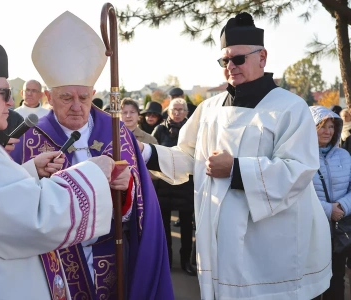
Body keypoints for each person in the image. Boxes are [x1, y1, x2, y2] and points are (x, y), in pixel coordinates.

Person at [139, 12, 331, 299]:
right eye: (224, 60)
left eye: (238, 59)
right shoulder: (209, 109)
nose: (231, 66)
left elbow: (299, 169)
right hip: (219, 243)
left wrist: (236, 169)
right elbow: (189, 158)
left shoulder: (290, 107)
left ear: (262, 57)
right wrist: (143, 151)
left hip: (270, 247)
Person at [0, 32, 129, 300]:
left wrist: (30, 170)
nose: (11, 102)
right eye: (4, 93)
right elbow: (33, 219)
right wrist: (94, 172)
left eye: (84, 97)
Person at [10, 11, 173, 300]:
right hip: (54, 264)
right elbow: (12, 202)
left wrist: (127, 188)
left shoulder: (116, 132)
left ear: (93, 93)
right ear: (48, 97)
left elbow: (141, 205)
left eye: (83, 97)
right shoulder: (30, 138)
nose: (76, 106)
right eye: (66, 97)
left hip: (112, 256)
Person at [310, 106, 351, 300]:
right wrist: (328, 210)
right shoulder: (301, 158)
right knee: (311, 283)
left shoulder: (345, 156)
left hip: (339, 231)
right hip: (312, 232)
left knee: (336, 280)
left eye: (332, 126)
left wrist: (342, 207)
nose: (328, 131)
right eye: (322, 126)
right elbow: (298, 194)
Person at [151, 98, 196, 276]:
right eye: (174, 109)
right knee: (164, 226)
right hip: (164, 184)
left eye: (181, 110)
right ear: (168, 112)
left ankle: (186, 261)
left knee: (186, 226)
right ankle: (167, 261)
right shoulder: (160, 129)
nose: (177, 113)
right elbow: (153, 154)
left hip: (185, 185)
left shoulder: (192, 130)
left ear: (186, 112)